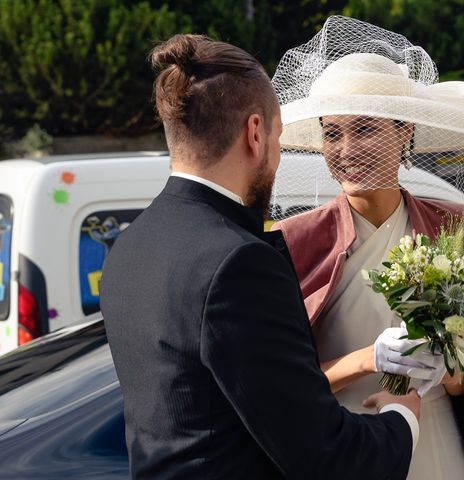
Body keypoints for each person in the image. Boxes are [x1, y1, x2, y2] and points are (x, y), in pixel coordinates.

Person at [100, 33, 428, 479]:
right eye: (277, 137)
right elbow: (327, 457)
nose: (277, 154)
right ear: (255, 133)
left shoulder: (130, 247)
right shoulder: (236, 263)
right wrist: (402, 418)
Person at [271, 16, 464, 480]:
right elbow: (277, 386)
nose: (347, 149)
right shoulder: (295, 242)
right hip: (346, 452)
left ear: (404, 132)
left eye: (365, 129)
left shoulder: (456, 223)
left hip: (443, 447)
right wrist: (368, 359)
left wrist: (447, 371)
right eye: (333, 133)